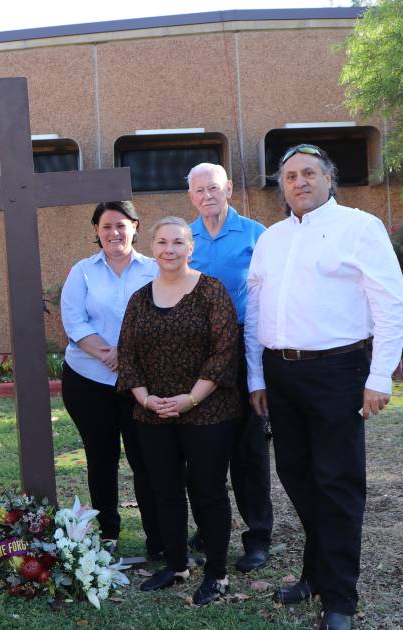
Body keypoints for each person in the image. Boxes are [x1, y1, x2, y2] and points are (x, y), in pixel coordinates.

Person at [246, 144, 403, 630]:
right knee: (297, 478)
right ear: (282, 185)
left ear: (329, 178)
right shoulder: (271, 238)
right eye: (290, 175)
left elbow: (390, 302)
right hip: (281, 375)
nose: (299, 182)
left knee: (337, 485)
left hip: (339, 373)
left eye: (309, 173)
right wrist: (257, 376)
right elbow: (255, 312)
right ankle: (314, 574)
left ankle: (339, 600)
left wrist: (380, 376)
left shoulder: (360, 227)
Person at [117, 216, 239, 605]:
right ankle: (176, 563)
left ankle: (216, 573)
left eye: (178, 243)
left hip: (207, 411)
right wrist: (144, 397)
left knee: (208, 491)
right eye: (163, 242)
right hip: (153, 413)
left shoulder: (211, 292)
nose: (169, 250)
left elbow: (224, 352)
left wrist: (191, 398)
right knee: (164, 490)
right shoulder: (139, 299)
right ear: (152, 248)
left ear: (191, 248)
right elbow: (128, 354)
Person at [59, 200, 161, 558]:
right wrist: (109, 352)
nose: (114, 233)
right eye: (106, 227)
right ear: (96, 232)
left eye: (121, 225)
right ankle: (109, 533)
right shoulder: (82, 271)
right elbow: (74, 322)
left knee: (144, 458)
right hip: (88, 379)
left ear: (135, 226)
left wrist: (129, 357)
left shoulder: (154, 268)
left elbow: (163, 318)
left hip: (142, 383)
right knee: (101, 458)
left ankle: (157, 535)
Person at [184, 163, 274, 573]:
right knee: (204, 448)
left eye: (214, 188)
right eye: (200, 190)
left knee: (249, 450)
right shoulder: (184, 239)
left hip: (245, 347)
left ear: (230, 189)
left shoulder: (258, 235)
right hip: (197, 355)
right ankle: (207, 529)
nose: (208, 195)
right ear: (190, 196)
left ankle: (257, 538)